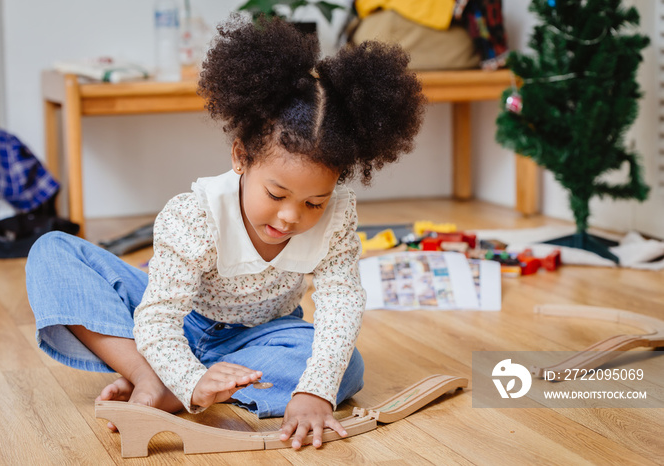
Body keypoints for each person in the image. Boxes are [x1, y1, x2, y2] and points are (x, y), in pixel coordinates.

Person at [26, 15, 424, 450]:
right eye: (276, 194)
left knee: (346, 370)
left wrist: (314, 392)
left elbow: (341, 302)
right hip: (179, 318)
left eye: (314, 203)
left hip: (265, 334)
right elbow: (158, 317)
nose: (291, 217)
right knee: (52, 252)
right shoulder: (194, 214)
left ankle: (191, 383)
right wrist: (187, 375)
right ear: (240, 157)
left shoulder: (339, 217)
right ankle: (153, 376)